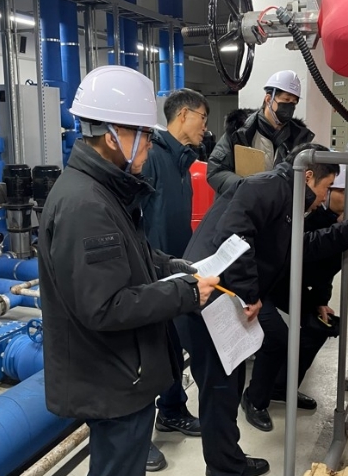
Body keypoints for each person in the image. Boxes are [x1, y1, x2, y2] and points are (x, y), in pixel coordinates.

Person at [37, 65, 219, 476]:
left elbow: (129, 253)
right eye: (144, 134)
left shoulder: (103, 190)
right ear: (112, 135)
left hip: (120, 371)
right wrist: (186, 293)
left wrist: (168, 265)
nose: (150, 145)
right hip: (112, 378)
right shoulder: (86, 206)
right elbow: (107, 306)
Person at [175, 143, 348, 476]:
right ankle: (225, 470)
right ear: (309, 175)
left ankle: (228, 461)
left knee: (227, 388)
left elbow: (296, 249)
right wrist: (250, 293)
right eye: (327, 187)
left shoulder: (286, 198)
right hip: (208, 301)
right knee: (219, 391)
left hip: (221, 299)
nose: (323, 197)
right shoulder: (268, 187)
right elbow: (233, 234)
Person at [241, 165, 348, 432]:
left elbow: (324, 270)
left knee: (318, 326)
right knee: (277, 337)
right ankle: (254, 399)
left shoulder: (337, 220)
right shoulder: (303, 212)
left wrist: (319, 300)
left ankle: (282, 387)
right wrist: (347, 231)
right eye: (347, 191)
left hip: (290, 283)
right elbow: (306, 246)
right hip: (262, 283)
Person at [141, 89, 209, 465]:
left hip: (173, 268)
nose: (205, 126)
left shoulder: (182, 161)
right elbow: (134, 216)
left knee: (170, 346)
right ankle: (137, 437)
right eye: (202, 117)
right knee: (146, 354)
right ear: (183, 115)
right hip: (150, 273)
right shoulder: (152, 155)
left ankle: (171, 410)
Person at [207, 70, 314, 195]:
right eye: (286, 100)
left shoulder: (298, 139)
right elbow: (215, 171)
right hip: (244, 204)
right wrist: (246, 187)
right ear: (268, 99)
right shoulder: (240, 131)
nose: (290, 106)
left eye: (294, 102)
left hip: (279, 205)